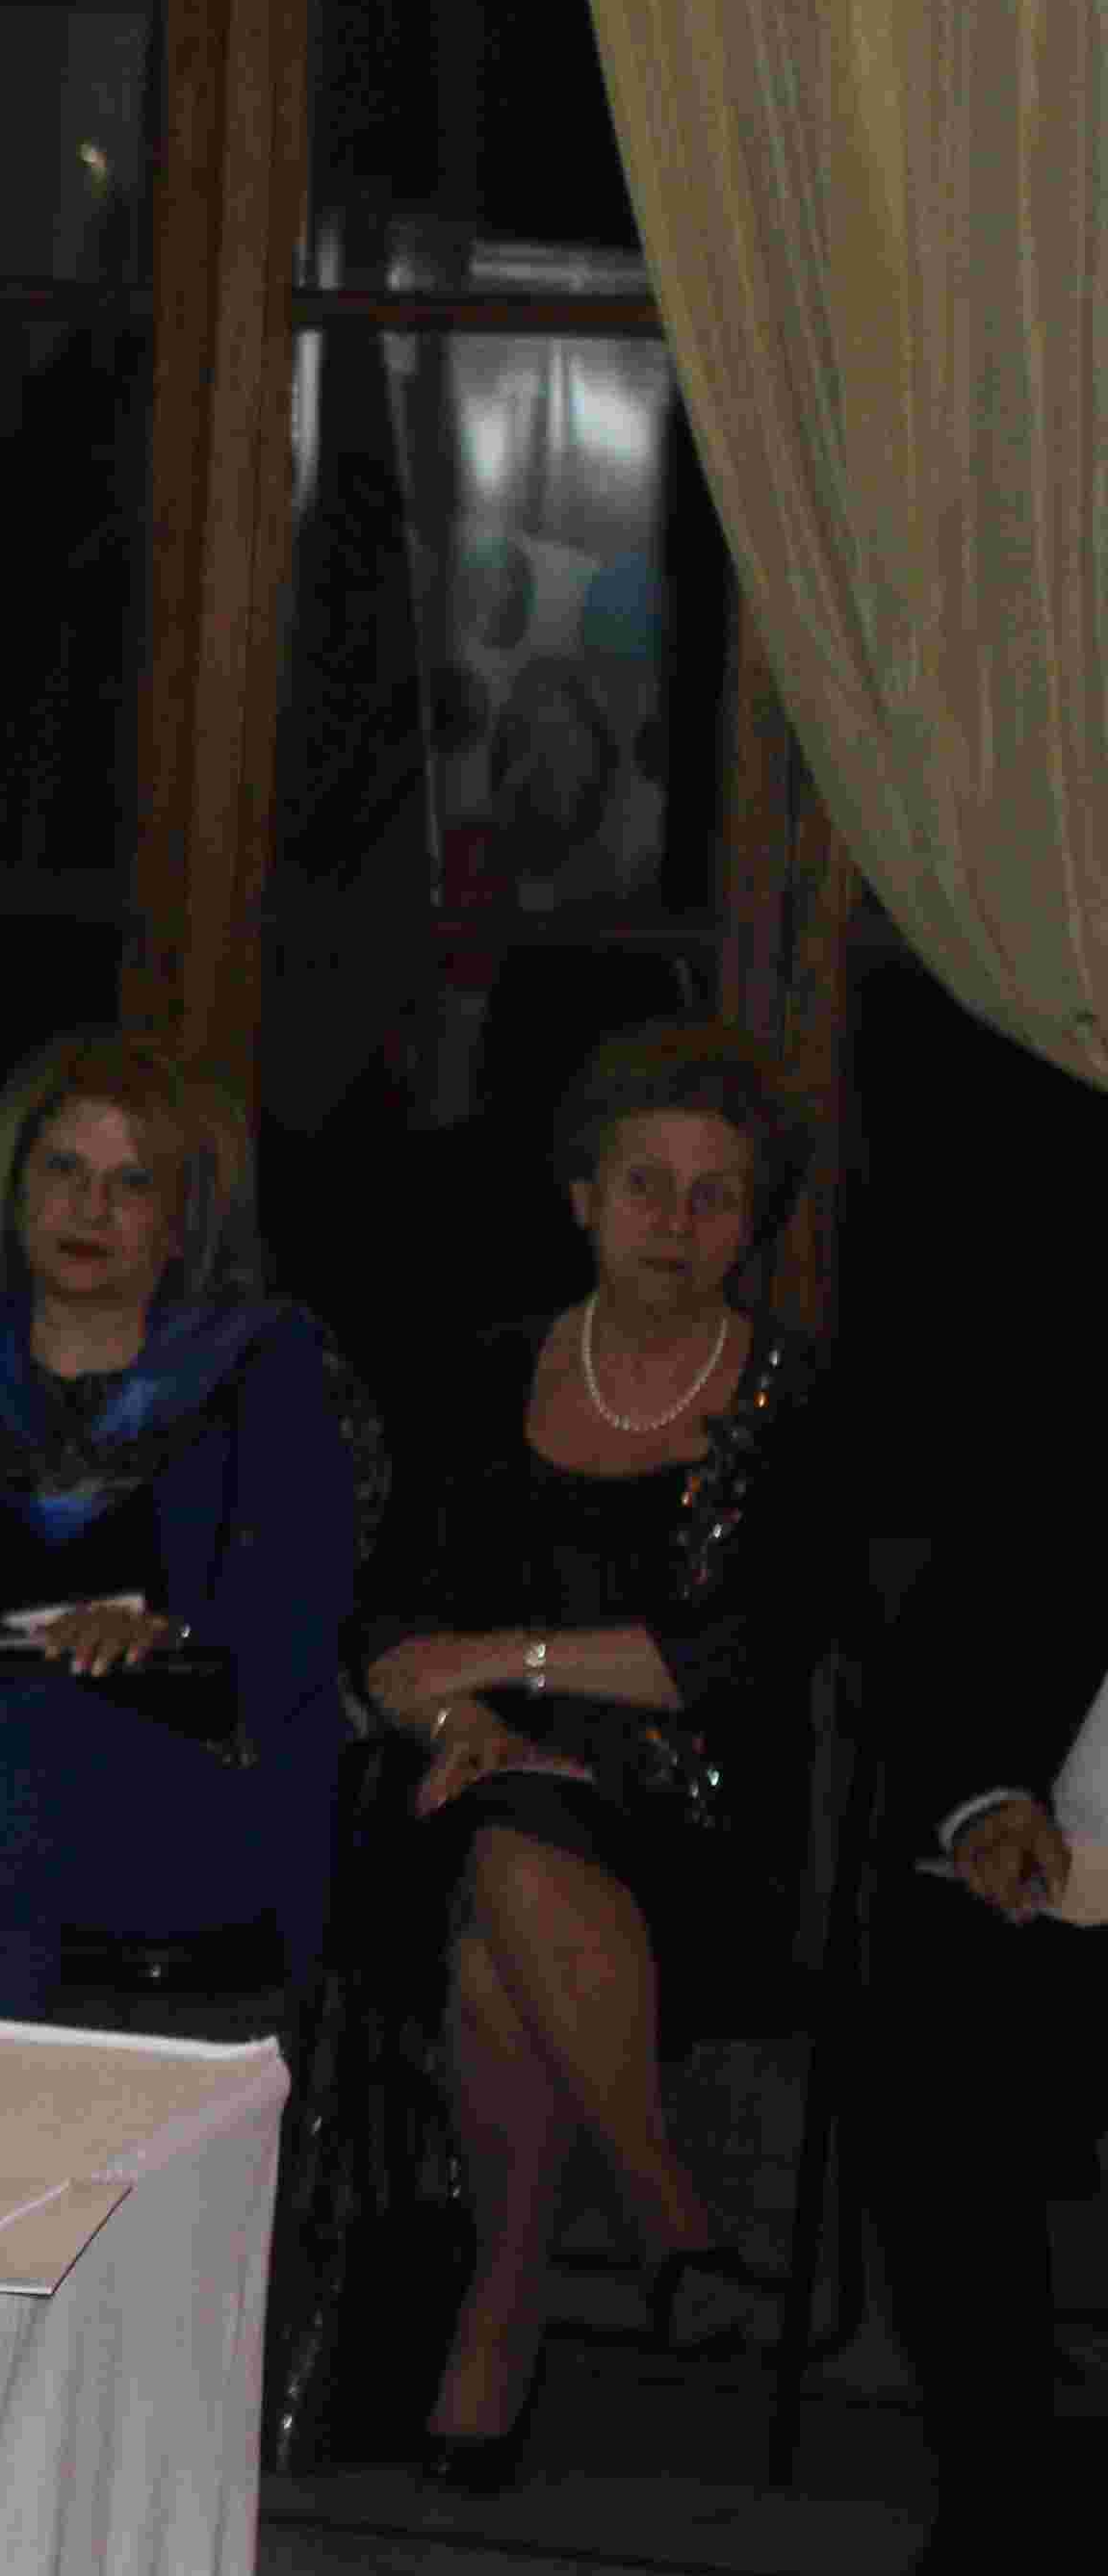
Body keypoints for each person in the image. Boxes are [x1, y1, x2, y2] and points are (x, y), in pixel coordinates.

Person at [345, 1019, 851, 2491]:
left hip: (707, 1837)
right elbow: (388, 1622)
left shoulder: (796, 1399)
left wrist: (502, 1663)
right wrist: (462, 1716)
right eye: (645, 1185)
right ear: (582, 1196)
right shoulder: (480, 1373)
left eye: (714, 1195)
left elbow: (743, 1656)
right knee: (506, 1846)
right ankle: (671, 2225)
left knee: (502, 1916)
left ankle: (501, 2319)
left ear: (751, 1224)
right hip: (471, 1790)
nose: (675, 1224)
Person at [0, 1029, 373, 2022]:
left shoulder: (265, 1367)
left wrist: (168, 1631)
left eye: (131, 1184)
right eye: (63, 1170)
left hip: (197, 1804)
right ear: (15, 1190)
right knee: (0, 1869)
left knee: (37, 1743)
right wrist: (24, 1645)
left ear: (180, 1224)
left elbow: (301, 1611)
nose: (89, 1208)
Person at [854, 1527, 1108, 2576]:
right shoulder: (1056, 1476)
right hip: (1058, 1868)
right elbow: (953, 1626)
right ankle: (1006, 2489)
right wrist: (988, 1804)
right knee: (946, 2029)